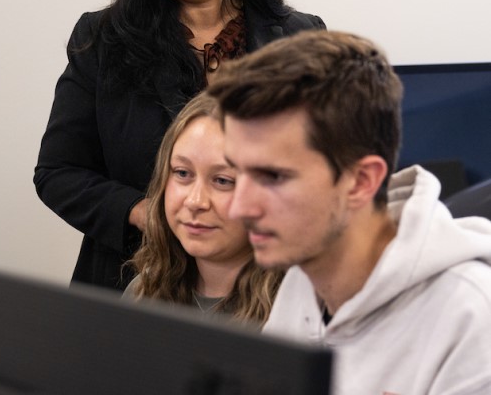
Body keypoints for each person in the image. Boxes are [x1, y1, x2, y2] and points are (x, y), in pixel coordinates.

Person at [34, 0, 325, 291]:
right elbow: (58, 172)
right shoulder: (103, 38)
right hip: (132, 280)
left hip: (265, 287)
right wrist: (146, 213)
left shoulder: (300, 39)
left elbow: (320, 169)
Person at [206, 30, 491, 394]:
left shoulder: (472, 318)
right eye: (236, 173)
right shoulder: (302, 275)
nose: (239, 208)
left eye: (273, 176)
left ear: (361, 181)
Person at [124, 92, 281, 325]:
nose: (195, 201)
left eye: (223, 180)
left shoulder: (297, 314)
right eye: (182, 173)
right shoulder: (143, 291)